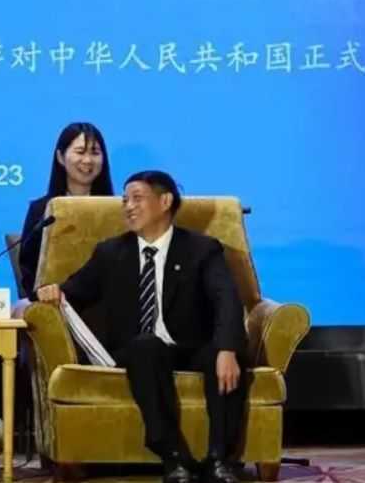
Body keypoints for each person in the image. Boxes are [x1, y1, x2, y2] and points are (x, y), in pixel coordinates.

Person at [36, 171, 246, 483]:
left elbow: (226, 298)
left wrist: (227, 349)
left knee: (223, 353)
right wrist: (46, 293)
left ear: (165, 201)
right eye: (125, 200)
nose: (128, 207)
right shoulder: (110, 252)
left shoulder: (202, 249)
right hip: (140, 352)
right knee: (145, 346)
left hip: (193, 346)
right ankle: (174, 457)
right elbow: (72, 291)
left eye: (137, 199)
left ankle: (219, 460)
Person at [17, 122, 114, 297]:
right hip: (55, 299)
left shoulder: (116, 209)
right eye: (80, 152)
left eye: (95, 153)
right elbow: (28, 266)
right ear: (61, 157)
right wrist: (43, 292)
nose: (87, 160)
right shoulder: (41, 209)